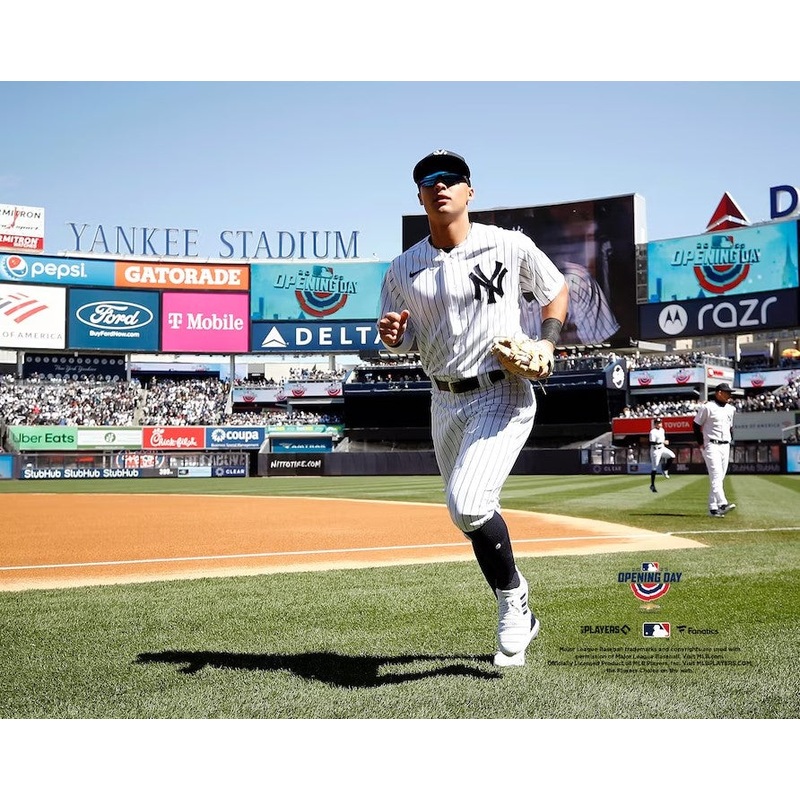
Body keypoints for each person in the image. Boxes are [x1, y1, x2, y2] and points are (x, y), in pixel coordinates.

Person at [378, 149, 569, 667]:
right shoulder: (401, 269)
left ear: (469, 190)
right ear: (419, 196)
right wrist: (394, 336)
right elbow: (401, 339)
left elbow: (555, 292)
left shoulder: (508, 244)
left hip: (501, 388)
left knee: (466, 502)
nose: (440, 186)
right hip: (442, 399)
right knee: (470, 513)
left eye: (451, 178)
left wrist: (547, 344)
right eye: (428, 181)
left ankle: (514, 602)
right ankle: (518, 605)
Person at [693, 382, 737, 517]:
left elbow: (730, 427)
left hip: (725, 445)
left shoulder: (731, 409)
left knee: (719, 477)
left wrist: (731, 440)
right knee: (717, 475)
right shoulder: (707, 407)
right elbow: (695, 425)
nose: (729, 395)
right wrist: (701, 443)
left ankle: (713, 507)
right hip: (711, 444)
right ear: (719, 393)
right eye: (727, 392)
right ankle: (722, 503)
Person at [648, 417, 675, 492]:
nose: (659, 424)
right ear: (655, 424)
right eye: (657, 423)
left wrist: (666, 440)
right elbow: (651, 442)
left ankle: (665, 469)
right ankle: (652, 485)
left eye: (660, 423)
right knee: (654, 468)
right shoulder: (652, 432)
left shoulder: (662, 430)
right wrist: (662, 442)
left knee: (672, 456)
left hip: (662, 448)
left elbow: (665, 436)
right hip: (655, 450)